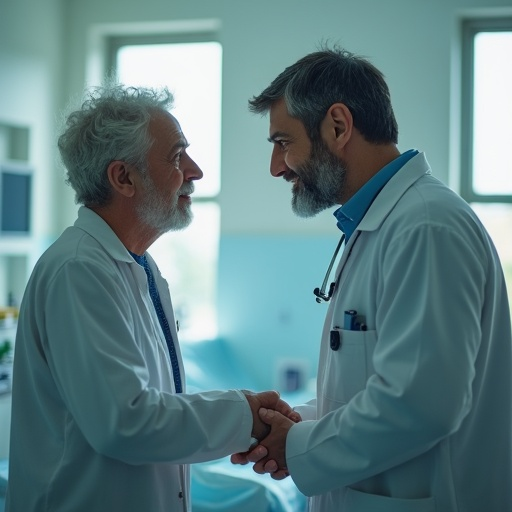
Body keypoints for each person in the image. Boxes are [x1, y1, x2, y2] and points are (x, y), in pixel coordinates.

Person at [232, 46, 512, 511]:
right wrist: (295, 426)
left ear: (338, 126)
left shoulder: (426, 227)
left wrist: (297, 446)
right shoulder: (381, 225)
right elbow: (369, 389)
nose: (276, 167)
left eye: (283, 143)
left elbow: (421, 404)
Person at [5, 82, 300, 512]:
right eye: (177, 157)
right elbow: (125, 422)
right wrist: (247, 417)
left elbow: (157, 408)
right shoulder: (78, 270)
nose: (195, 171)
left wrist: (246, 414)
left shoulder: (139, 267)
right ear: (123, 178)